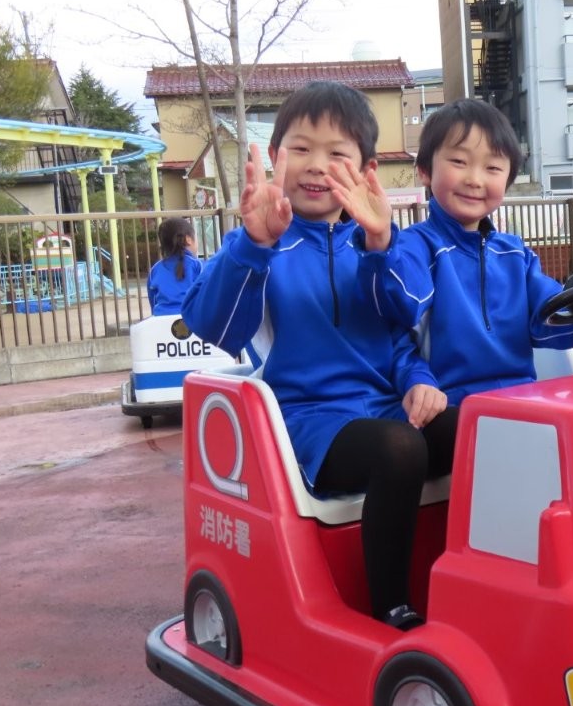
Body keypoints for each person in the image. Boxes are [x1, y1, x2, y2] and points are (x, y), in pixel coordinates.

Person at [181, 81, 457, 631]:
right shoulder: (263, 242)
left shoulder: (378, 241)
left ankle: (477, 582)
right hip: (310, 422)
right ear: (276, 155)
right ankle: (392, 608)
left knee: (475, 429)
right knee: (400, 447)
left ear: (366, 169)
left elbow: (406, 322)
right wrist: (253, 245)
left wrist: (419, 380)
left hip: (384, 408)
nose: (315, 166)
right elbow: (212, 325)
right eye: (301, 149)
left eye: (336, 153)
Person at [330, 97, 573, 407]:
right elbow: (399, 308)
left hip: (522, 399)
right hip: (449, 403)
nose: (475, 180)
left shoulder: (516, 255)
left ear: (508, 179)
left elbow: (549, 320)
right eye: (459, 162)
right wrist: (380, 239)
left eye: (492, 167)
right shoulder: (414, 247)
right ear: (425, 171)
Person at [147, 217, 202, 315]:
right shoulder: (197, 265)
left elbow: (153, 302)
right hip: (191, 318)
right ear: (188, 239)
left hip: (161, 319)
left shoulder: (155, 270)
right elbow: (206, 295)